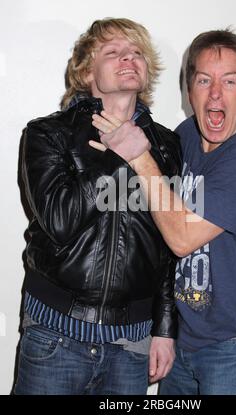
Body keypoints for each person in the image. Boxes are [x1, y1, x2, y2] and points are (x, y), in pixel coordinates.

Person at [91, 29, 236, 395]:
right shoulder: (187, 136)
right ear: (188, 91)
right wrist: (163, 329)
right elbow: (157, 228)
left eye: (230, 81)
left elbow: (180, 239)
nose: (215, 93)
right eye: (203, 80)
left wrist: (140, 157)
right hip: (188, 336)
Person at [14, 18, 181, 395]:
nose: (129, 58)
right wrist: (124, 154)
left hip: (132, 346)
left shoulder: (168, 146)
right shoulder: (46, 134)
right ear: (87, 70)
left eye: (137, 52)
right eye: (114, 52)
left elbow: (171, 244)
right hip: (56, 336)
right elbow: (59, 219)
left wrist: (165, 330)